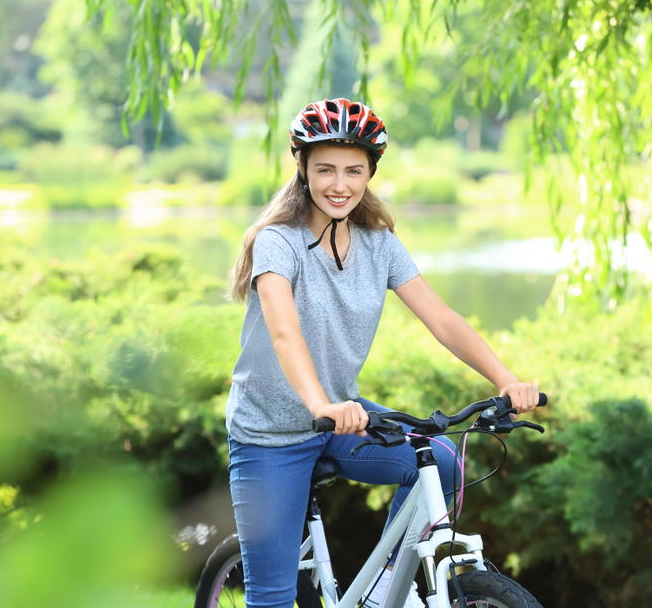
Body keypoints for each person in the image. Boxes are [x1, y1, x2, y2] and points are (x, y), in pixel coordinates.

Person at [224, 98, 540, 608]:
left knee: (442, 462)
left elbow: (442, 318)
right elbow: (285, 334)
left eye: (354, 170)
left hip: (343, 419)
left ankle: (379, 587)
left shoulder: (379, 244)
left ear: (371, 171)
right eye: (325, 168)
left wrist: (505, 379)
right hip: (272, 435)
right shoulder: (277, 243)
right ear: (301, 167)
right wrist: (320, 405)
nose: (339, 184)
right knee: (274, 598)